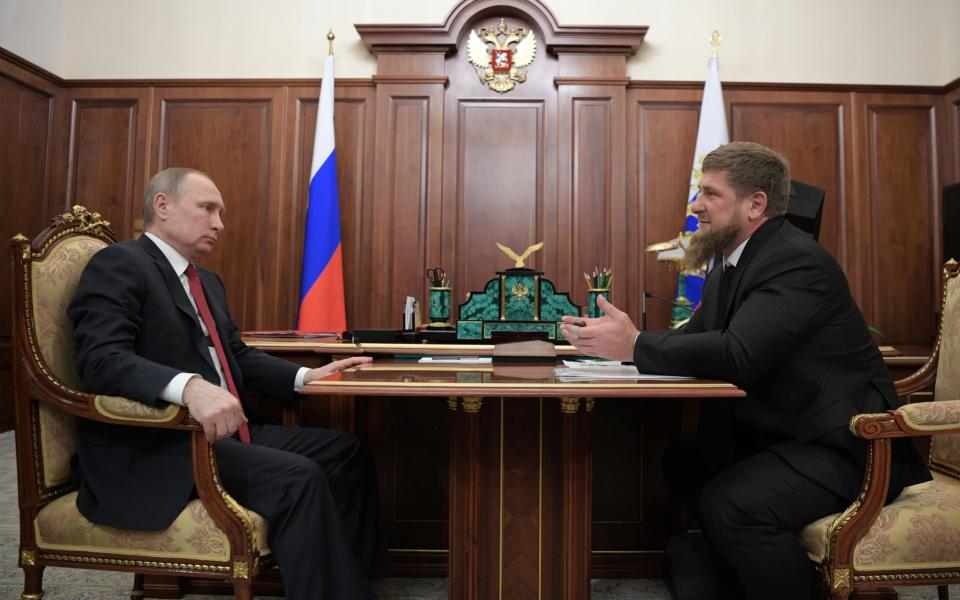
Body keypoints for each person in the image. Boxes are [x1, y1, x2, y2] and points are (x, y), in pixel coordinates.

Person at [560, 142, 930, 599]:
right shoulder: (732, 262)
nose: (696, 205)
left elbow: (740, 354)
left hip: (848, 445)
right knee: (685, 463)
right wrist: (621, 344)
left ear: (756, 204)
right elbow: (695, 337)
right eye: (700, 192)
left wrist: (635, 345)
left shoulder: (796, 260)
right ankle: (739, 582)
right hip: (785, 432)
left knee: (732, 505)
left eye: (710, 194)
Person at [68, 167, 387, 600]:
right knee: (302, 477)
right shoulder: (120, 264)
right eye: (207, 209)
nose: (220, 223)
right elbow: (101, 360)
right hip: (163, 443)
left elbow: (235, 353)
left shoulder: (207, 281)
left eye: (220, 212)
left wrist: (305, 375)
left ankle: (348, 580)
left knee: (346, 454)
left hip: (228, 433)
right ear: (162, 206)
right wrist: (188, 387)